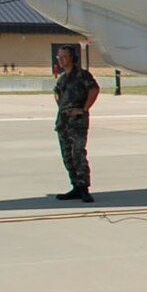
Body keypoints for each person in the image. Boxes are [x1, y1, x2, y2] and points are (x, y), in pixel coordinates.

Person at [52, 44, 99, 202]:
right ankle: (76, 187)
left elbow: (94, 90)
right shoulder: (63, 78)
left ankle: (84, 188)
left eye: (64, 56)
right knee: (67, 156)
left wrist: (84, 109)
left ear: (72, 57)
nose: (61, 59)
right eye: (59, 56)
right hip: (63, 123)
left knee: (78, 153)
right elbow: (57, 95)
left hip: (77, 123)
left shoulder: (82, 75)